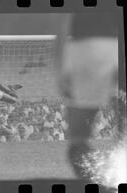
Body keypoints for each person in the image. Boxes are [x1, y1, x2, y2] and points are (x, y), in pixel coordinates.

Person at [58, 14, 118, 180]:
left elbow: (63, 18)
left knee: (78, 140)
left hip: (87, 48)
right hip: (109, 43)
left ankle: (102, 179)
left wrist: (60, 65)